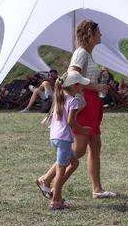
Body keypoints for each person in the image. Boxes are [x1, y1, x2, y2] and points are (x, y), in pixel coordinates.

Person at [37, 20, 115, 199]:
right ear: (90, 34)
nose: (101, 35)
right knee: (78, 151)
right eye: (98, 32)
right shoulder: (80, 53)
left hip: (92, 104)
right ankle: (47, 180)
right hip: (85, 104)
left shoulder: (87, 54)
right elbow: (72, 75)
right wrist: (95, 87)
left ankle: (97, 189)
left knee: (95, 145)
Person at [37, 71, 91, 209]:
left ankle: (56, 191)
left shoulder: (60, 98)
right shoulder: (74, 101)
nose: (82, 87)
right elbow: (70, 121)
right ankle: (55, 201)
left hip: (55, 137)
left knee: (74, 162)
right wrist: (83, 130)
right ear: (74, 86)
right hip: (64, 139)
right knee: (61, 170)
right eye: (80, 85)